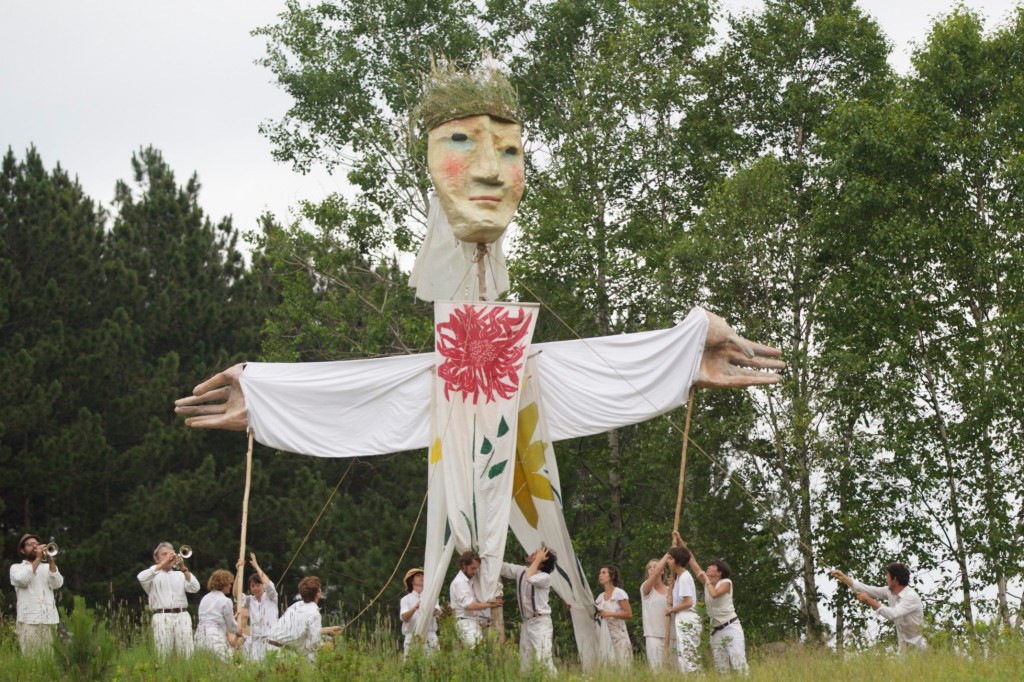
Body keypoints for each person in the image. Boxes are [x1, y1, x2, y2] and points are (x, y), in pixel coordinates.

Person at [174, 66, 784, 670]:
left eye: (510, 149)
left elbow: (575, 370)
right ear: (429, 160)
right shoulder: (452, 363)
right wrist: (266, 395)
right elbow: (377, 389)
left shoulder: (522, 358)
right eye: (461, 140)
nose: (491, 168)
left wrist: (684, 348)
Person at [678, 535, 748, 674]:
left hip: (731, 626)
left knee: (738, 662)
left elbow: (715, 594)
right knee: (721, 668)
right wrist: (680, 541)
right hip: (716, 630)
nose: (708, 567)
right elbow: (691, 560)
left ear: (719, 572)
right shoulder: (707, 583)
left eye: (712, 566)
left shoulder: (726, 583)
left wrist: (706, 579)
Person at [830, 564, 927, 653]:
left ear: (895, 579)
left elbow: (893, 614)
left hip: (919, 646)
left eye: (888, 577)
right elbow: (867, 589)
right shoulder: (890, 592)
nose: (886, 580)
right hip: (903, 648)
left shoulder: (911, 596)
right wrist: (843, 578)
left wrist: (869, 601)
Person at [500, 545, 557, 672]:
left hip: (540, 622)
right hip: (526, 622)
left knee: (544, 659)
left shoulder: (545, 577)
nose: (532, 554)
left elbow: (530, 577)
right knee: (525, 661)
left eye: (537, 554)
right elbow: (502, 568)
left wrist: (538, 560)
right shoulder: (521, 570)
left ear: (542, 563)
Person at [138, 541, 201, 658]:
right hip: (161, 616)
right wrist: (162, 564)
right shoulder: (152, 575)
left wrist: (182, 567)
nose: (168, 556)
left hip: (182, 615)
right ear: (157, 559)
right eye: (164, 554)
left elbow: (195, 587)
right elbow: (141, 578)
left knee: (186, 653)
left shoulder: (180, 575)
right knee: (163, 653)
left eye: (170, 554)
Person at [9, 533, 64, 656]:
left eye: (37, 544)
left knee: (49, 659)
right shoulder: (16, 568)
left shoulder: (47, 568)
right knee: (31, 659)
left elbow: (57, 584)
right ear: (23, 550)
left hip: (50, 620)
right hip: (28, 621)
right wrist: (38, 559)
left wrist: (51, 562)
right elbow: (23, 580)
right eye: (30, 544)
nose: (35, 546)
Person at [267, 576, 342, 662]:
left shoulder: (296, 605)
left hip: (270, 649)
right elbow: (314, 644)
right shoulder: (314, 613)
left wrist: (329, 629)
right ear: (318, 593)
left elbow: (301, 630)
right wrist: (325, 646)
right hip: (283, 654)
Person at [194, 567, 249, 661]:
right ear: (224, 584)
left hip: (199, 636)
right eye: (229, 584)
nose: (230, 586)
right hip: (214, 637)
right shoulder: (226, 601)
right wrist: (239, 632)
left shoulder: (204, 598)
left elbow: (211, 616)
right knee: (228, 664)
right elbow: (232, 627)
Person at [450, 550, 502, 645]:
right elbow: (469, 606)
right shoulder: (460, 582)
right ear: (463, 565)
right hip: (465, 622)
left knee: (478, 653)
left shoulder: (469, 581)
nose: (474, 572)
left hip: (472, 622)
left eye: (476, 569)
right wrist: (490, 604)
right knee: (476, 654)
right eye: (472, 568)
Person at [665, 541, 701, 673]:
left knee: (688, 655)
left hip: (687, 617)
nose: (668, 561)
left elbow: (688, 602)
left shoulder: (685, 577)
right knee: (683, 655)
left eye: (670, 558)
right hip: (682, 617)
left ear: (677, 561)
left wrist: (671, 609)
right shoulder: (680, 578)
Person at [241, 552, 279, 662]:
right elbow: (236, 595)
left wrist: (257, 566)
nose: (255, 588)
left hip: (271, 640)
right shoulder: (250, 600)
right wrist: (239, 570)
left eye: (258, 585)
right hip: (256, 642)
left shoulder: (271, 597)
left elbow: (269, 585)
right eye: (252, 586)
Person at [594, 564, 632, 667]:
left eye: (604, 573)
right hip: (605, 636)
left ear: (612, 576)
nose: (600, 575)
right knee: (608, 666)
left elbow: (628, 614)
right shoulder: (600, 597)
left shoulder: (619, 593)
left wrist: (609, 613)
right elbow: (592, 613)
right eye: (600, 573)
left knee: (623, 666)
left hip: (619, 635)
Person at [400, 567, 441, 657]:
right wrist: (414, 608)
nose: (422, 577)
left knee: (434, 666)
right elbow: (404, 617)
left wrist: (428, 607)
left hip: (430, 636)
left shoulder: (432, 597)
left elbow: (437, 613)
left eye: (423, 576)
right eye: (418, 576)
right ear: (411, 580)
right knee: (411, 666)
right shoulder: (405, 599)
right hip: (412, 636)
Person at [640, 556, 672, 670]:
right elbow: (655, 575)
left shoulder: (670, 589)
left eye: (656, 566)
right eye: (650, 568)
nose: (653, 569)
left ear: (663, 570)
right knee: (657, 670)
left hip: (670, 635)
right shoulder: (646, 588)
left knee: (672, 671)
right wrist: (669, 554)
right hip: (653, 635)